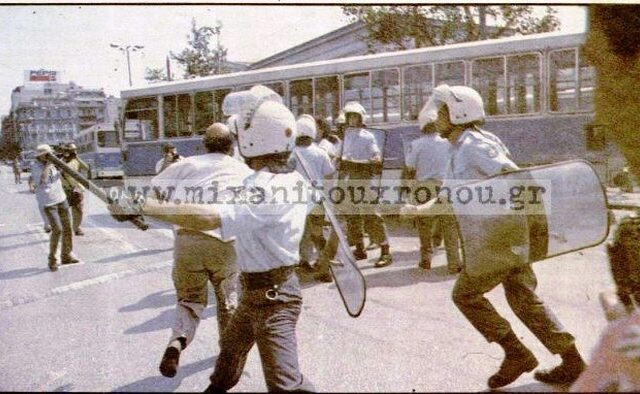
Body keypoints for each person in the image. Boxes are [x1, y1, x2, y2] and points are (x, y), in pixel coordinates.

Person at [123, 92, 315, 391]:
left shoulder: (264, 189)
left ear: (254, 141)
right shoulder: (289, 182)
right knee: (227, 362)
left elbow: (210, 218)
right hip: (254, 291)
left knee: (285, 386)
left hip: (275, 299)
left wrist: (145, 207)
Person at [430, 85, 586, 389]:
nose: (436, 117)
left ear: (459, 113)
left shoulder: (474, 145)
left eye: (441, 111)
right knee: (523, 297)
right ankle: (573, 362)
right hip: (501, 234)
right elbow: (451, 194)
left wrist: (532, 229)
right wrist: (418, 208)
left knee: (465, 295)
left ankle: (516, 352)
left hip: (498, 237)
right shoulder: (460, 146)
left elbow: (517, 179)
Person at [152, 123, 252, 378]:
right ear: (232, 146)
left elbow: (155, 191)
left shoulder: (187, 165)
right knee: (228, 299)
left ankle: (178, 341)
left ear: (204, 145)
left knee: (190, 301)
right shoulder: (242, 168)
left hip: (187, 241)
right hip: (226, 242)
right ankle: (228, 355)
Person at [404, 100, 460, 273]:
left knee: (424, 226)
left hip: (424, 187)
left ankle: (426, 259)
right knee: (449, 225)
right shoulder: (447, 143)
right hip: (445, 186)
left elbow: (410, 166)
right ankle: (454, 263)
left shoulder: (416, 144)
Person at [339, 101, 393, 268]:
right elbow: (340, 156)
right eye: (349, 117)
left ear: (361, 118)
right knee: (352, 217)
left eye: (355, 116)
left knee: (372, 216)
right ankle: (360, 249)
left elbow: (376, 158)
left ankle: (385, 251)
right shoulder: (345, 136)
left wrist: (359, 162)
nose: (352, 119)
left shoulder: (368, 136)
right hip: (349, 180)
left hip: (365, 179)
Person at [290, 114, 335, 272]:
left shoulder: (290, 154)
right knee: (318, 233)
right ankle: (324, 264)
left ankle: (304, 260)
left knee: (300, 232)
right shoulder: (320, 152)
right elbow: (329, 174)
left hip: (297, 200)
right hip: (317, 200)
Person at [31, 144, 80, 271]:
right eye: (46, 155)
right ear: (41, 156)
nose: (49, 157)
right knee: (57, 229)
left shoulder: (55, 164)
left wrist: (73, 186)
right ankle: (52, 259)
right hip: (48, 203)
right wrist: (48, 165)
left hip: (61, 199)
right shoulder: (35, 166)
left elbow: (65, 175)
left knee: (68, 228)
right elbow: (43, 180)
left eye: (49, 154)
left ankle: (66, 255)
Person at [61, 143, 90, 235]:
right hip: (65, 189)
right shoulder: (60, 162)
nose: (72, 152)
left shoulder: (76, 161)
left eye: (74, 151)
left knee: (78, 210)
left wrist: (77, 158)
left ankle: (76, 228)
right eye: (70, 151)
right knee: (64, 211)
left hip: (77, 188)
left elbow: (86, 168)